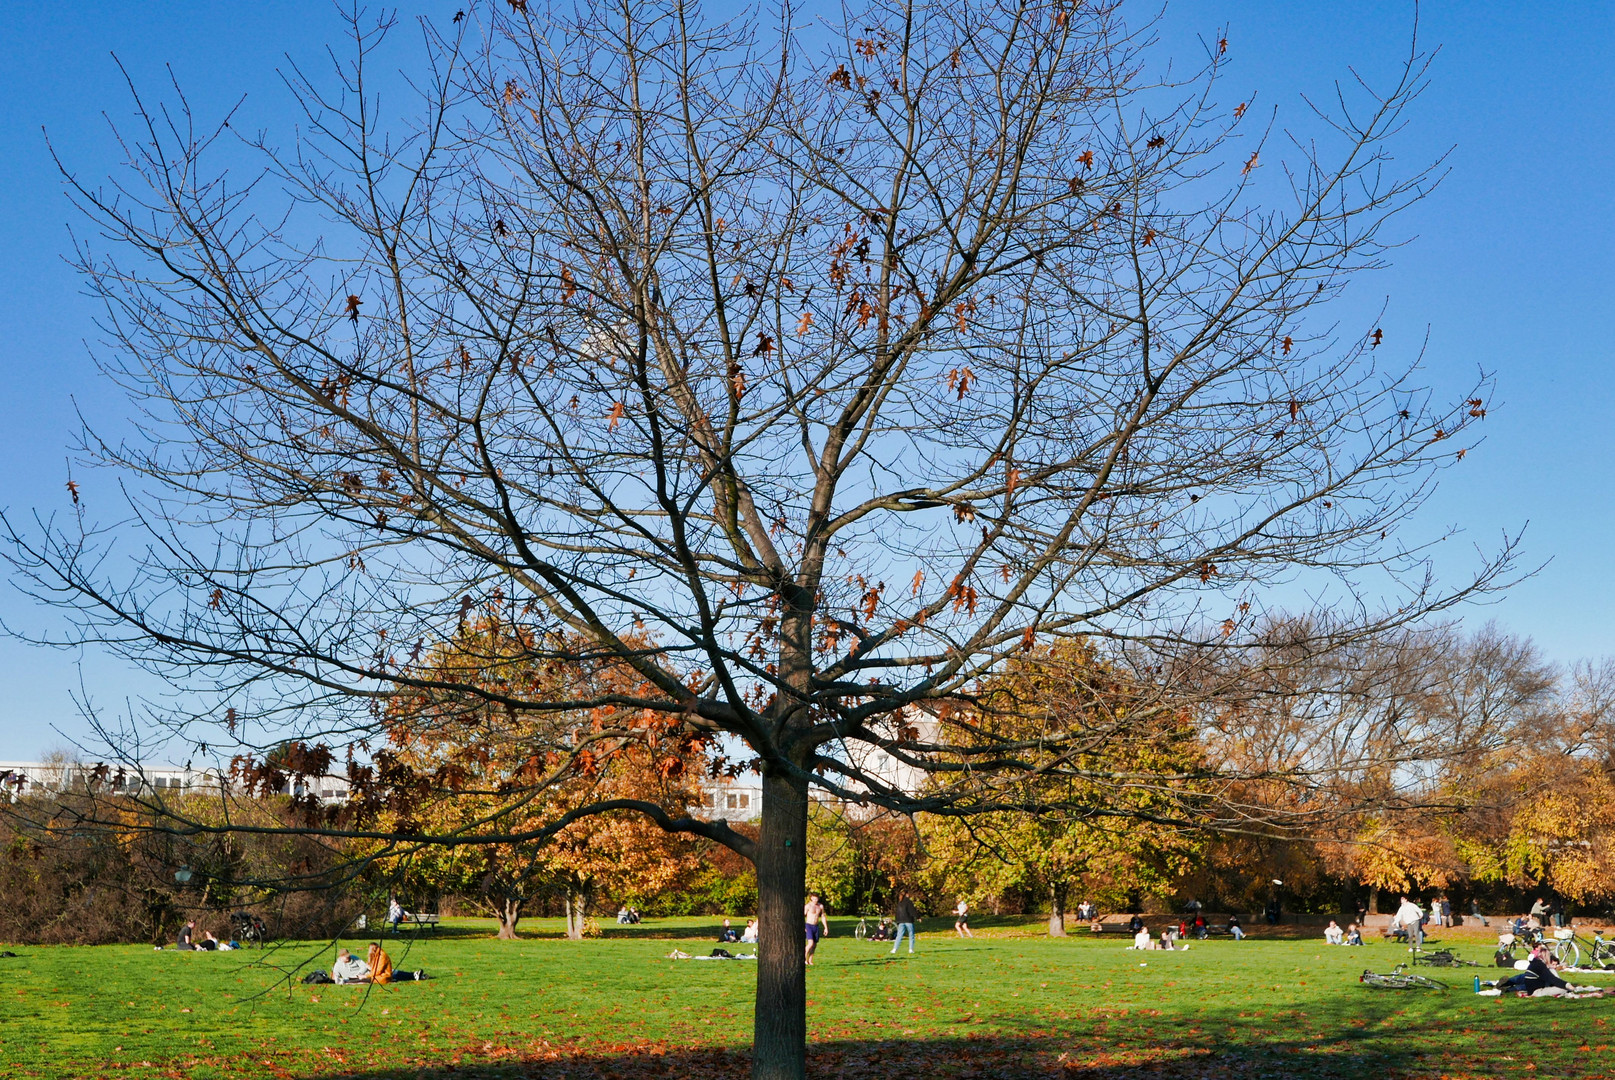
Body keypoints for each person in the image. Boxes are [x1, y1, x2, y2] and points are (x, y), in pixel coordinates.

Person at [804, 892, 828, 966]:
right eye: (814, 898)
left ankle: (810, 960)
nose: (815, 900)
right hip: (809, 925)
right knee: (810, 943)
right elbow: (803, 916)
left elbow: (823, 916)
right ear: (811, 898)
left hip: (816, 926)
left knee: (814, 945)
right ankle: (804, 959)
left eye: (816, 898)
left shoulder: (820, 906)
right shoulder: (808, 906)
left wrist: (825, 928)